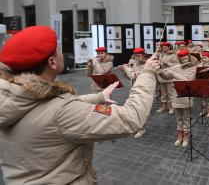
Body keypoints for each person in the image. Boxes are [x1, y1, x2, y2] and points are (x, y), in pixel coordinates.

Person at [0, 26, 159, 184]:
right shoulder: (62, 111)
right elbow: (131, 118)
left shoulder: (11, 97)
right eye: (60, 50)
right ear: (52, 62)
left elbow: (46, 109)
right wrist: (148, 74)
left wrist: (98, 98)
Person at [158, 49, 197, 148]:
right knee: (178, 118)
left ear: (188, 57)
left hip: (186, 96)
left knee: (186, 118)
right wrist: (160, 71)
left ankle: (186, 137)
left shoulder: (192, 67)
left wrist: (173, 72)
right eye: (182, 59)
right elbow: (167, 77)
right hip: (176, 95)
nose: (184, 60)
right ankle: (180, 137)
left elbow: (187, 80)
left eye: (186, 58)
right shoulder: (176, 67)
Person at [118, 47, 147, 138]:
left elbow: (133, 76)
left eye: (139, 56)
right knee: (134, 109)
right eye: (136, 56)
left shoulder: (146, 65)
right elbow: (128, 77)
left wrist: (127, 68)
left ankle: (141, 129)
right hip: (134, 89)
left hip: (142, 90)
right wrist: (123, 71)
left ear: (143, 56)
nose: (137, 58)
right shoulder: (135, 64)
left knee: (140, 110)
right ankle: (136, 127)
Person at [156, 42, 178, 114]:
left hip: (169, 77)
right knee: (163, 94)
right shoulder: (161, 54)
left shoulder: (173, 55)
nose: (163, 48)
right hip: (162, 76)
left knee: (170, 94)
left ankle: (171, 107)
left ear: (169, 47)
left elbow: (175, 66)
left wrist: (166, 63)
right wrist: (158, 64)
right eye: (162, 47)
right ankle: (163, 106)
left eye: (165, 47)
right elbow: (160, 64)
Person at [198, 52, 209, 117]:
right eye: (203, 58)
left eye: (205, 58)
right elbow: (197, 74)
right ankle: (204, 110)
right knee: (203, 99)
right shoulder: (199, 65)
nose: (204, 59)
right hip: (202, 84)